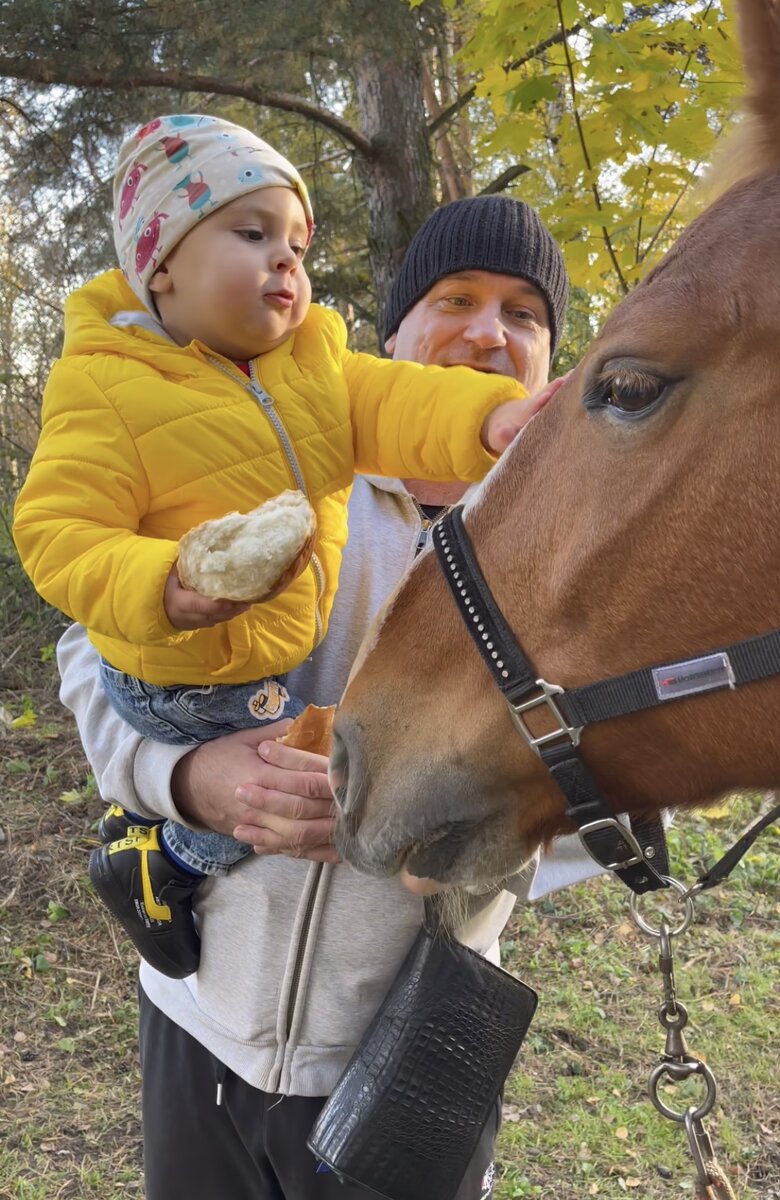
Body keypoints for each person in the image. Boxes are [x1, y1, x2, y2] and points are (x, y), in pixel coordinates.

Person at [57, 194, 594, 1200]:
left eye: (524, 314)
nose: (487, 331)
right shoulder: (277, 477)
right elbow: (93, 656)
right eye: (457, 298)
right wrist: (187, 776)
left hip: (406, 1063)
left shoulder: (582, 557)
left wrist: (485, 823)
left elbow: (631, 796)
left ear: (547, 357)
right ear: (392, 337)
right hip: (198, 1021)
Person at [12, 114, 545, 981]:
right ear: (162, 267)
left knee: (323, 767)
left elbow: (405, 404)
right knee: (293, 762)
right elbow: (58, 539)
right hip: (210, 994)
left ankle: (172, 852)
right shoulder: (111, 387)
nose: (287, 262)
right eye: (253, 233)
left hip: (414, 1026)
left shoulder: (322, 379)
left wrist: (489, 421)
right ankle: (169, 857)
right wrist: (180, 762)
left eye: (524, 314)